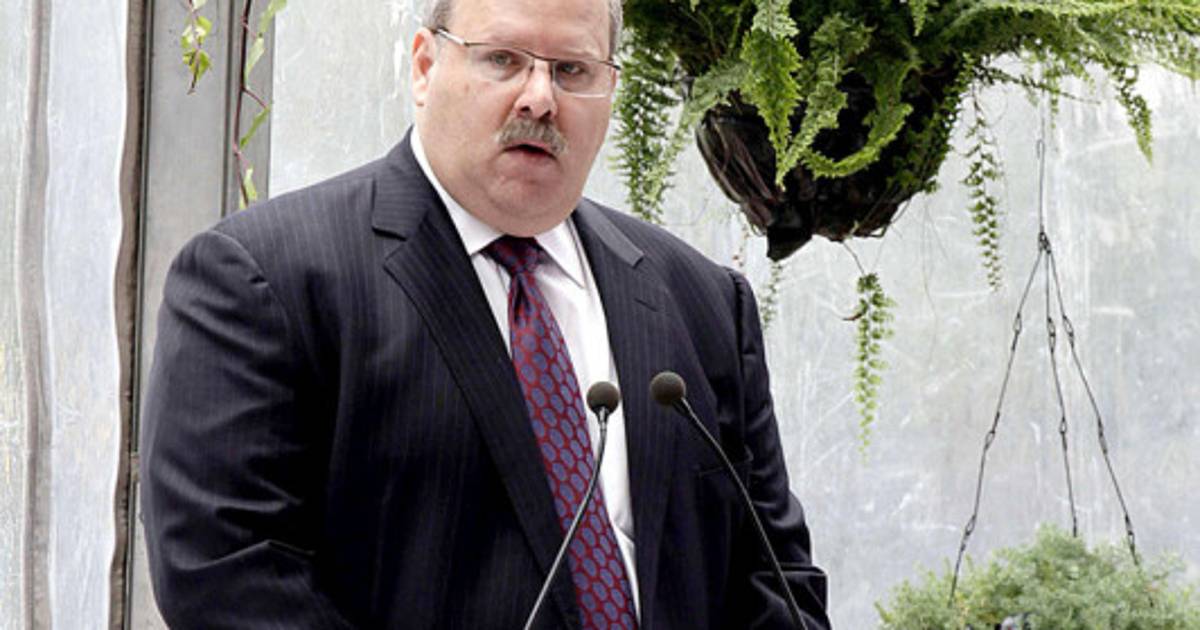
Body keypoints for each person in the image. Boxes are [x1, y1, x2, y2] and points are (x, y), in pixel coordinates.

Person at [139, 0, 831, 626]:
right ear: (424, 66)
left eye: (572, 70)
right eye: (503, 59)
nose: (541, 98)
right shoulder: (267, 281)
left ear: (612, 90)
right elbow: (228, 578)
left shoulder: (701, 301)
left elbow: (778, 581)